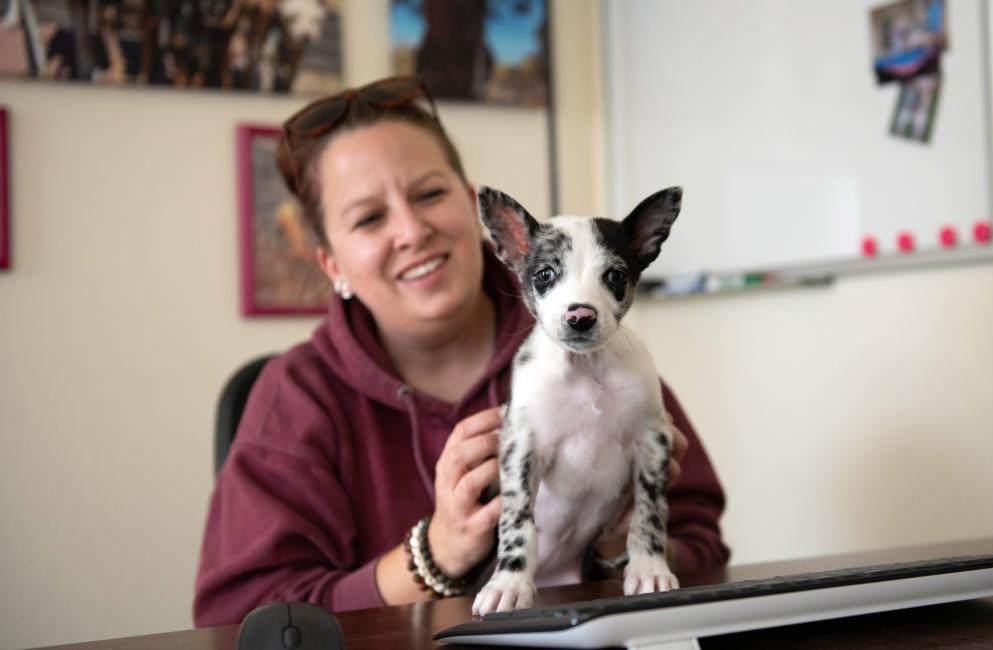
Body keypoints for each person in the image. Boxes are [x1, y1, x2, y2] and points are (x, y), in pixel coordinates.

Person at [192, 76, 729, 627]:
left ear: (476, 209)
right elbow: (240, 619)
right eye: (369, 218)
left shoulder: (596, 346)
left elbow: (702, 542)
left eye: (429, 193)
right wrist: (434, 556)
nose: (412, 230)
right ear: (332, 265)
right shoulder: (295, 398)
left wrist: (622, 542)